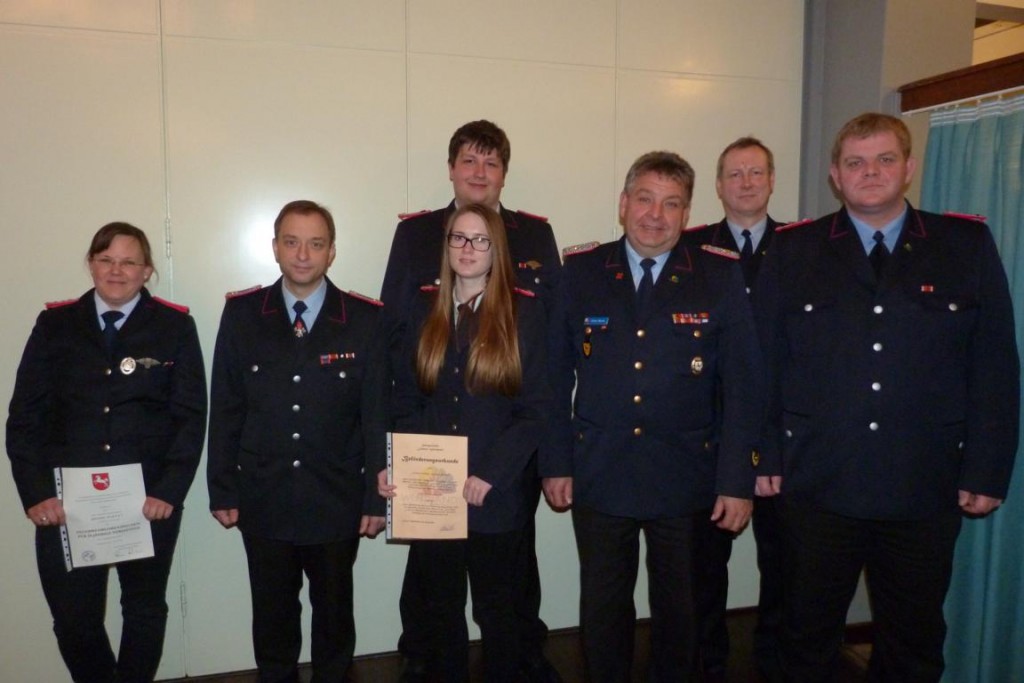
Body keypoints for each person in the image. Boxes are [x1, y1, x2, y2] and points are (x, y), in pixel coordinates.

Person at [754, 112, 1019, 682]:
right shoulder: (794, 249)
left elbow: (994, 365)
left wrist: (988, 470)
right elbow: (766, 365)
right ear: (834, 174)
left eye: (884, 160)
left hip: (923, 487)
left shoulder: (963, 244)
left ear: (909, 168)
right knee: (805, 638)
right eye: (855, 162)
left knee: (914, 641)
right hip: (816, 484)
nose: (869, 172)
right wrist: (765, 458)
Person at [543, 151, 764, 682]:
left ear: (687, 214)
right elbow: (550, 379)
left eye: (672, 204)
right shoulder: (581, 272)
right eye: (644, 199)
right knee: (602, 609)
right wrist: (556, 463)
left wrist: (738, 481)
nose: (655, 215)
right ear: (623, 204)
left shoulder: (718, 275)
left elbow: (744, 386)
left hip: (686, 476)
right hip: (600, 472)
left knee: (682, 614)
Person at [379, 119, 562, 682]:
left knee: (502, 604)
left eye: (480, 241)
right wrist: (399, 462)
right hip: (432, 480)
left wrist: (505, 469)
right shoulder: (422, 269)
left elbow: (545, 384)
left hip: (497, 479)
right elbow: (399, 370)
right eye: (459, 239)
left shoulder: (528, 273)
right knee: (438, 609)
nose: (467, 247)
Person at [6, 222, 207, 683]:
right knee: (74, 619)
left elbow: (190, 416)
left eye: (129, 261)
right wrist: (36, 494)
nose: (117, 270)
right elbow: (25, 418)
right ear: (91, 264)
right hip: (66, 505)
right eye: (106, 259)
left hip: (146, 501)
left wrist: (169, 491)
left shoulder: (175, 326)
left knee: (143, 609)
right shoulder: (55, 325)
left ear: (147, 270)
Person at [207, 200, 387, 682]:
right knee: (272, 620)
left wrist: (375, 497)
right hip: (263, 496)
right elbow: (224, 407)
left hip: (336, 499)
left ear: (332, 252)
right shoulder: (243, 314)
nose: (302, 254)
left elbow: (375, 416)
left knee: (333, 620)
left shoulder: (365, 319)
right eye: (291, 241)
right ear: (274, 248)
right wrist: (222, 487)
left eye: (315, 243)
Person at [685, 136, 785, 681]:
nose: (746, 182)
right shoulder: (690, 246)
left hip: (782, 439)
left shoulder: (803, 247)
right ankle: (709, 664)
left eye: (756, 172)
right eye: (734, 174)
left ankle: (773, 663)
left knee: (784, 567)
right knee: (703, 569)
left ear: (772, 181)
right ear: (718, 186)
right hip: (709, 438)